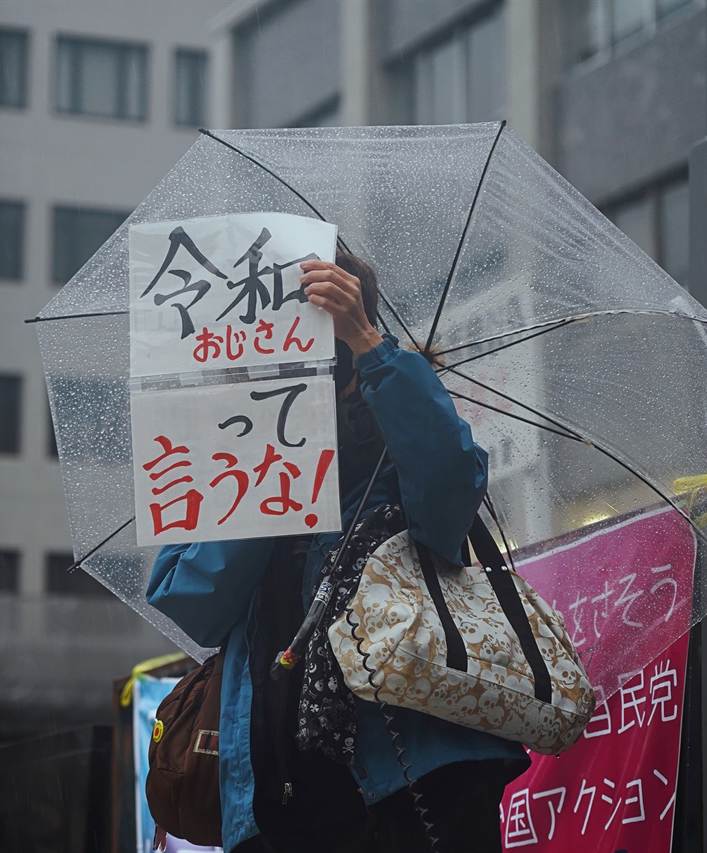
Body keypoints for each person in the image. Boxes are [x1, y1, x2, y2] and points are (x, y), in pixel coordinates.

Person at [147, 252, 527, 853]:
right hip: (279, 795)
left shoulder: (397, 416)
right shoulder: (229, 448)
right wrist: (272, 475)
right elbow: (189, 597)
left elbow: (452, 495)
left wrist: (370, 346)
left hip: (414, 773)